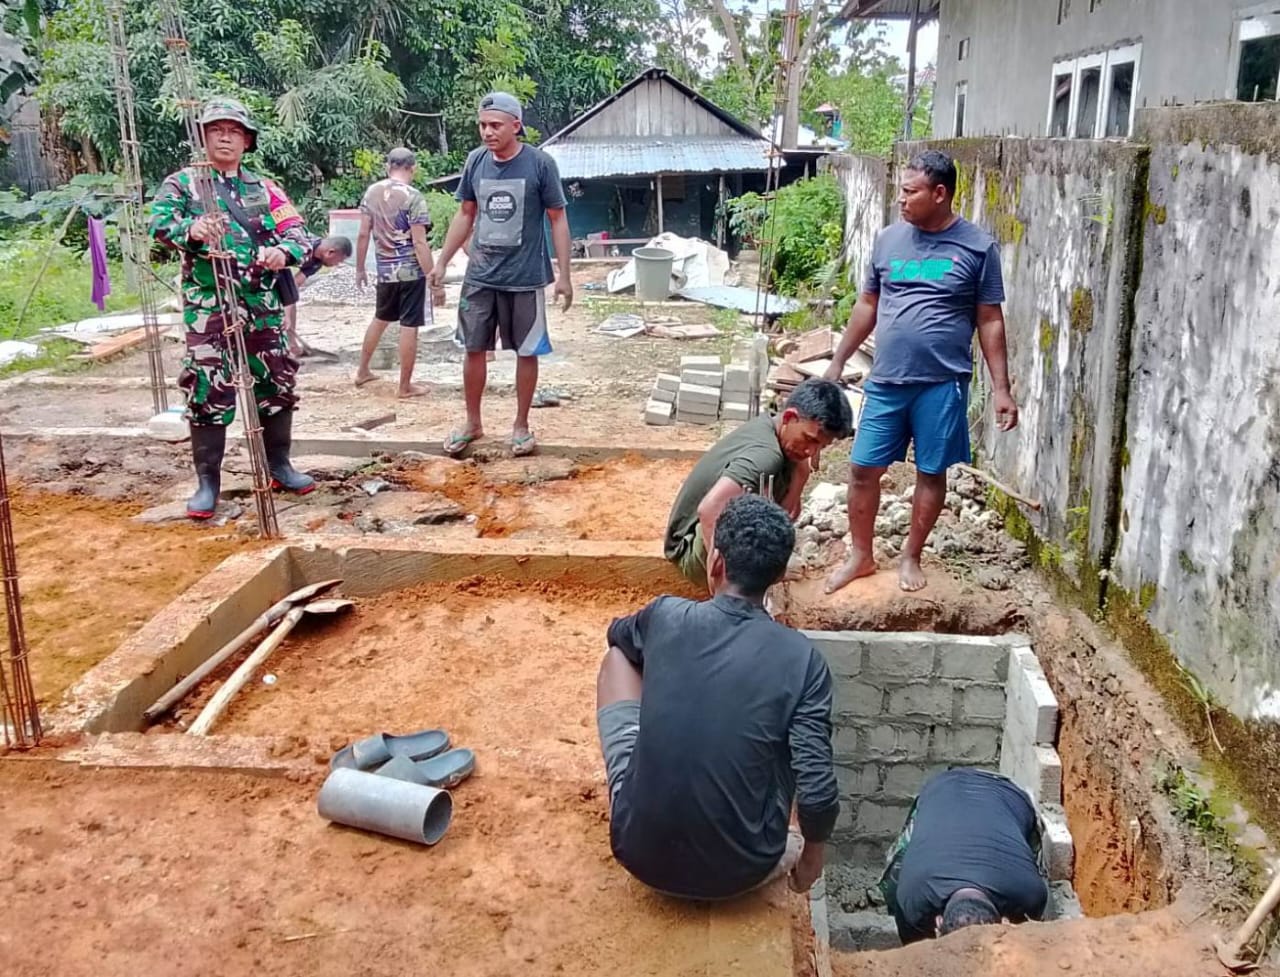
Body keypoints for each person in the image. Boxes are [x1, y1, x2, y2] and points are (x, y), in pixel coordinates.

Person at [596, 494, 838, 900]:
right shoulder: (803, 659)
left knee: (617, 659)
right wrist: (811, 858)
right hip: (742, 873)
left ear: (716, 562)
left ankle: (642, 796)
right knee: (782, 744)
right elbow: (816, 788)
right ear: (778, 577)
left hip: (638, 854)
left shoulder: (666, 615)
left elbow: (617, 637)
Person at [823, 149, 1018, 595]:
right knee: (862, 468)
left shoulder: (977, 246)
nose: (901, 200)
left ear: (940, 193)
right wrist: (837, 360)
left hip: (942, 384)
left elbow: (990, 318)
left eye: (910, 192)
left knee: (931, 472)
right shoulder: (888, 240)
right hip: (888, 381)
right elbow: (868, 304)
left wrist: (1002, 389)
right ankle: (861, 554)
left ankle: (911, 556)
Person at [149, 97, 316, 520]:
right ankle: (208, 483)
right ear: (203, 137)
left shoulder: (265, 189)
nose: (225, 137)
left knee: (276, 384)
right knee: (207, 387)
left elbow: (299, 235)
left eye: (234, 131)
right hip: (211, 309)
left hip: (261, 304)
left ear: (247, 141)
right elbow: (159, 226)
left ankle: (279, 465)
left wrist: (283, 252)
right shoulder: (184, 184)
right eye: (216, 130)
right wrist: (193, 229)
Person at [428, 91, 573, 458]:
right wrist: (443, 261)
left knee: (527, 351)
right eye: (482, 125)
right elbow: (465, 214)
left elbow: (558, 220)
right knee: (474, 348)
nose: (487, 132)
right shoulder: (476, 161)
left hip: (525, 276)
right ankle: (472, 423)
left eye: (495, 125)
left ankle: (521, 424)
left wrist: (565, 274)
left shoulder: (540, 164)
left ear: (516, 125)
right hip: (480, 276)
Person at [664, 378, 853, 591]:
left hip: (698, 536)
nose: (812, 452)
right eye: (809, 439)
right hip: (690, 551)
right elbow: (709, 510)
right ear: (790, 417)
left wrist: (799, 478)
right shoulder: (766, 456)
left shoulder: (773, 427)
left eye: (821, 446)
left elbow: (790, 510)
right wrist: (722, 583)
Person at [879, 767, 1048, 944]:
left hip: (1007, 793)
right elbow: (915, 951)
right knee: (897, 885)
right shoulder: (912, 898)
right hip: (941, 788)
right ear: (1004, 923)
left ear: (938, 923)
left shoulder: (1030, 895)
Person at [353, 147, 446, 398]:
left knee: (380, 318)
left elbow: (363, 233)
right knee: (409, 325)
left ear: (388, 166)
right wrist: (433, 277)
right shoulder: (413, 197)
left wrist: (360, 268)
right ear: (412, 168)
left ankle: (362, 370)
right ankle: (405, 386)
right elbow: (419, 243)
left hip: (384, 270)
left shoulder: (371, 193)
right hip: (410, 272)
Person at [279, 234, 352, 355]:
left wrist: (288, 316)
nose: (337, 264)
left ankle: (291, 343)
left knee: (292, 300)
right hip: (264, 266)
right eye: (339, 260)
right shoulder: (302, 246)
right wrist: (284, 313)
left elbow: (294, 285)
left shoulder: (316, 262)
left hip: (281, 272)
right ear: (331, 252)